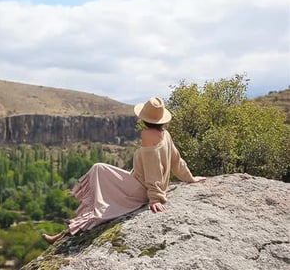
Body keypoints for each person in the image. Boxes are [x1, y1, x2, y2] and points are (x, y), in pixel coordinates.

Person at [42, 97, 206, 244]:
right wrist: (190, 178)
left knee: (99, 179)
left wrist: (155, 198)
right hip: (138, 182)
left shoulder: (148, 134)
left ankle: (66, 233)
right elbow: (177, 160)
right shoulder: (166, 134)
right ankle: (64, 233)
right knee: (99, 169)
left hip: (140, 189)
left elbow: (152, 166)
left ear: (144, 118)